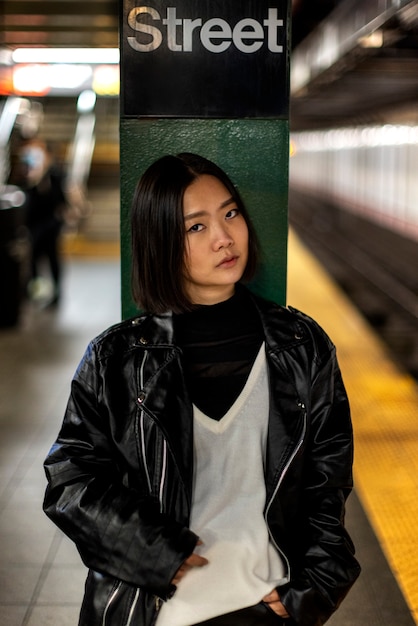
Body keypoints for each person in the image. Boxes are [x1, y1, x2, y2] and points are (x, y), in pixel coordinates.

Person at [43, 153, 360, 626]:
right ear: (161, 241)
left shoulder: (300, 346)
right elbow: (70, 480)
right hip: (156, 608)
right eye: (196, 227)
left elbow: (327, 482)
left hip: (266, 604)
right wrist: (155, 552)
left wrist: (319, 582)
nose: (224, 237)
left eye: (230, 213)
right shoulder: (118, 359)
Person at [18, 140, 67, 305]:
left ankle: (56, 292)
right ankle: (36, 292)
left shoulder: (54, 176)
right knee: (34, 261)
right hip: (35, 225)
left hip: (51, 226)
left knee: (53, 259)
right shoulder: (29, 175)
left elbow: (61, 199)